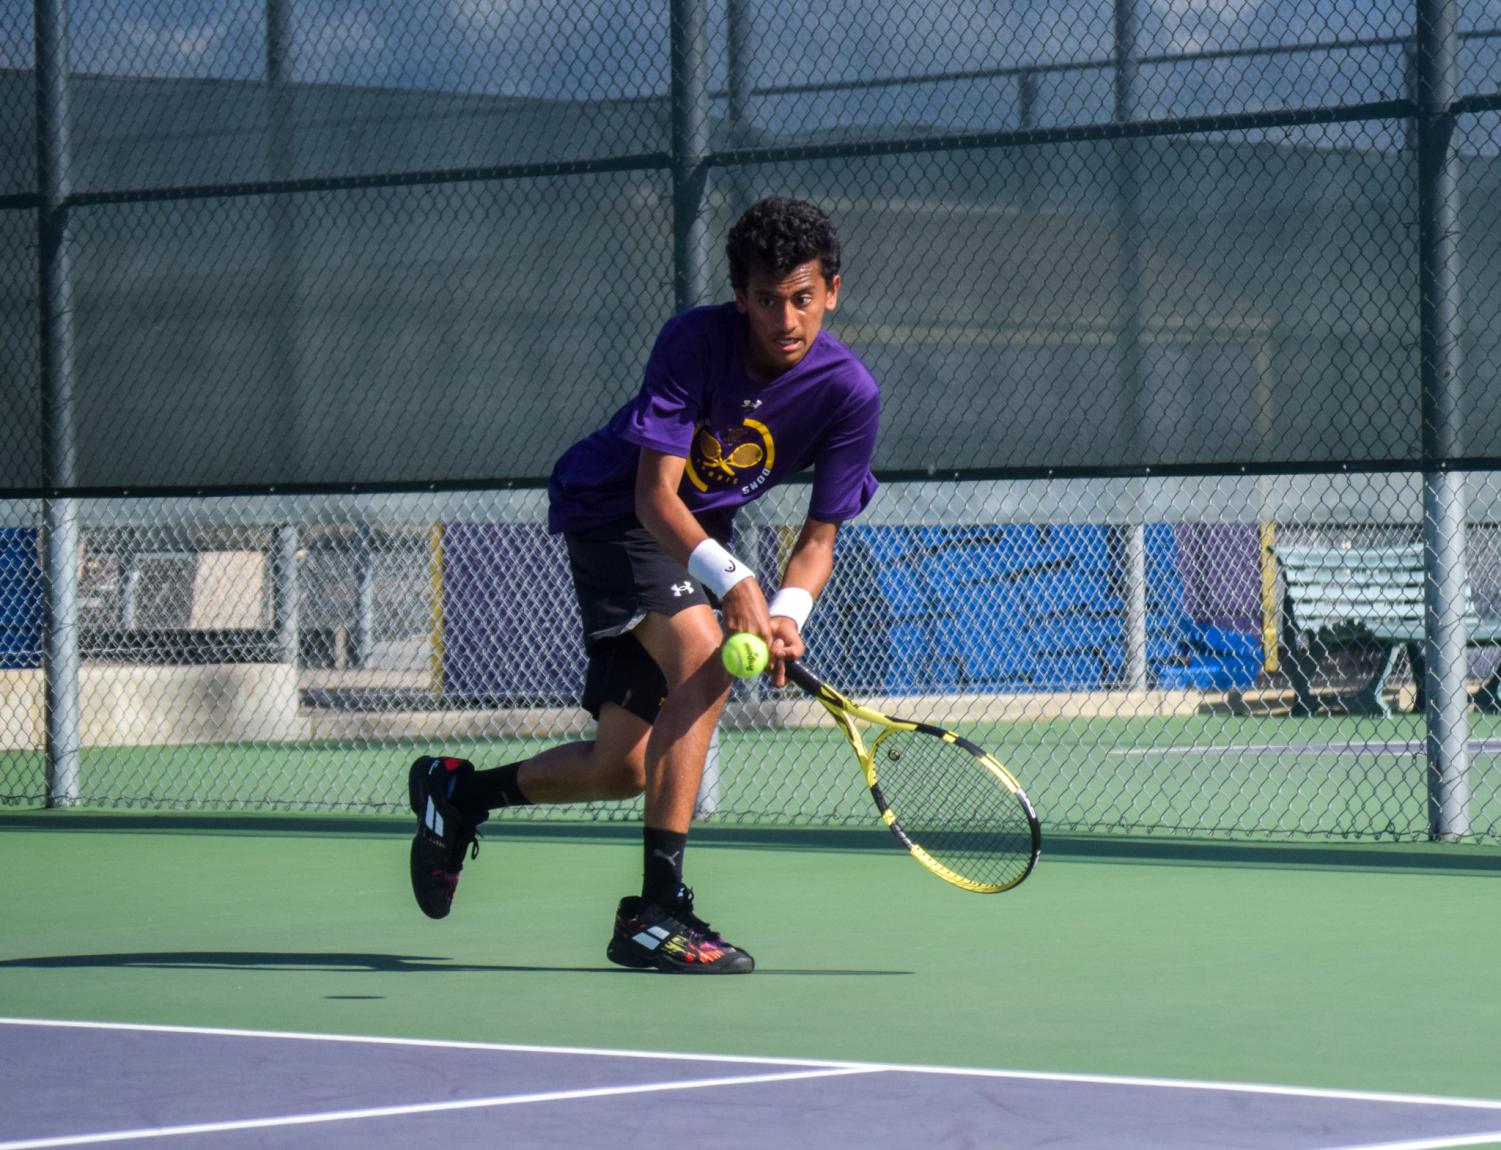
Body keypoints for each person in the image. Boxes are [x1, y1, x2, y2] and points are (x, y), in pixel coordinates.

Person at [406, 197, 880, 974]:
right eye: (766, 300)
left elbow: (819, 538)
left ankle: (458, 795)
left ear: (832, 289)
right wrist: (733, 584)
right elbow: (653, 498)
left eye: (801, 298)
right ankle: (655, 913)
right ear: (740, 297)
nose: (785, 320)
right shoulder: (694, 342)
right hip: (615, 510)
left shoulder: (848, 393)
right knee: (701, 658)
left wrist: (787, 612)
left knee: (623, 767)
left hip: (691, 540)